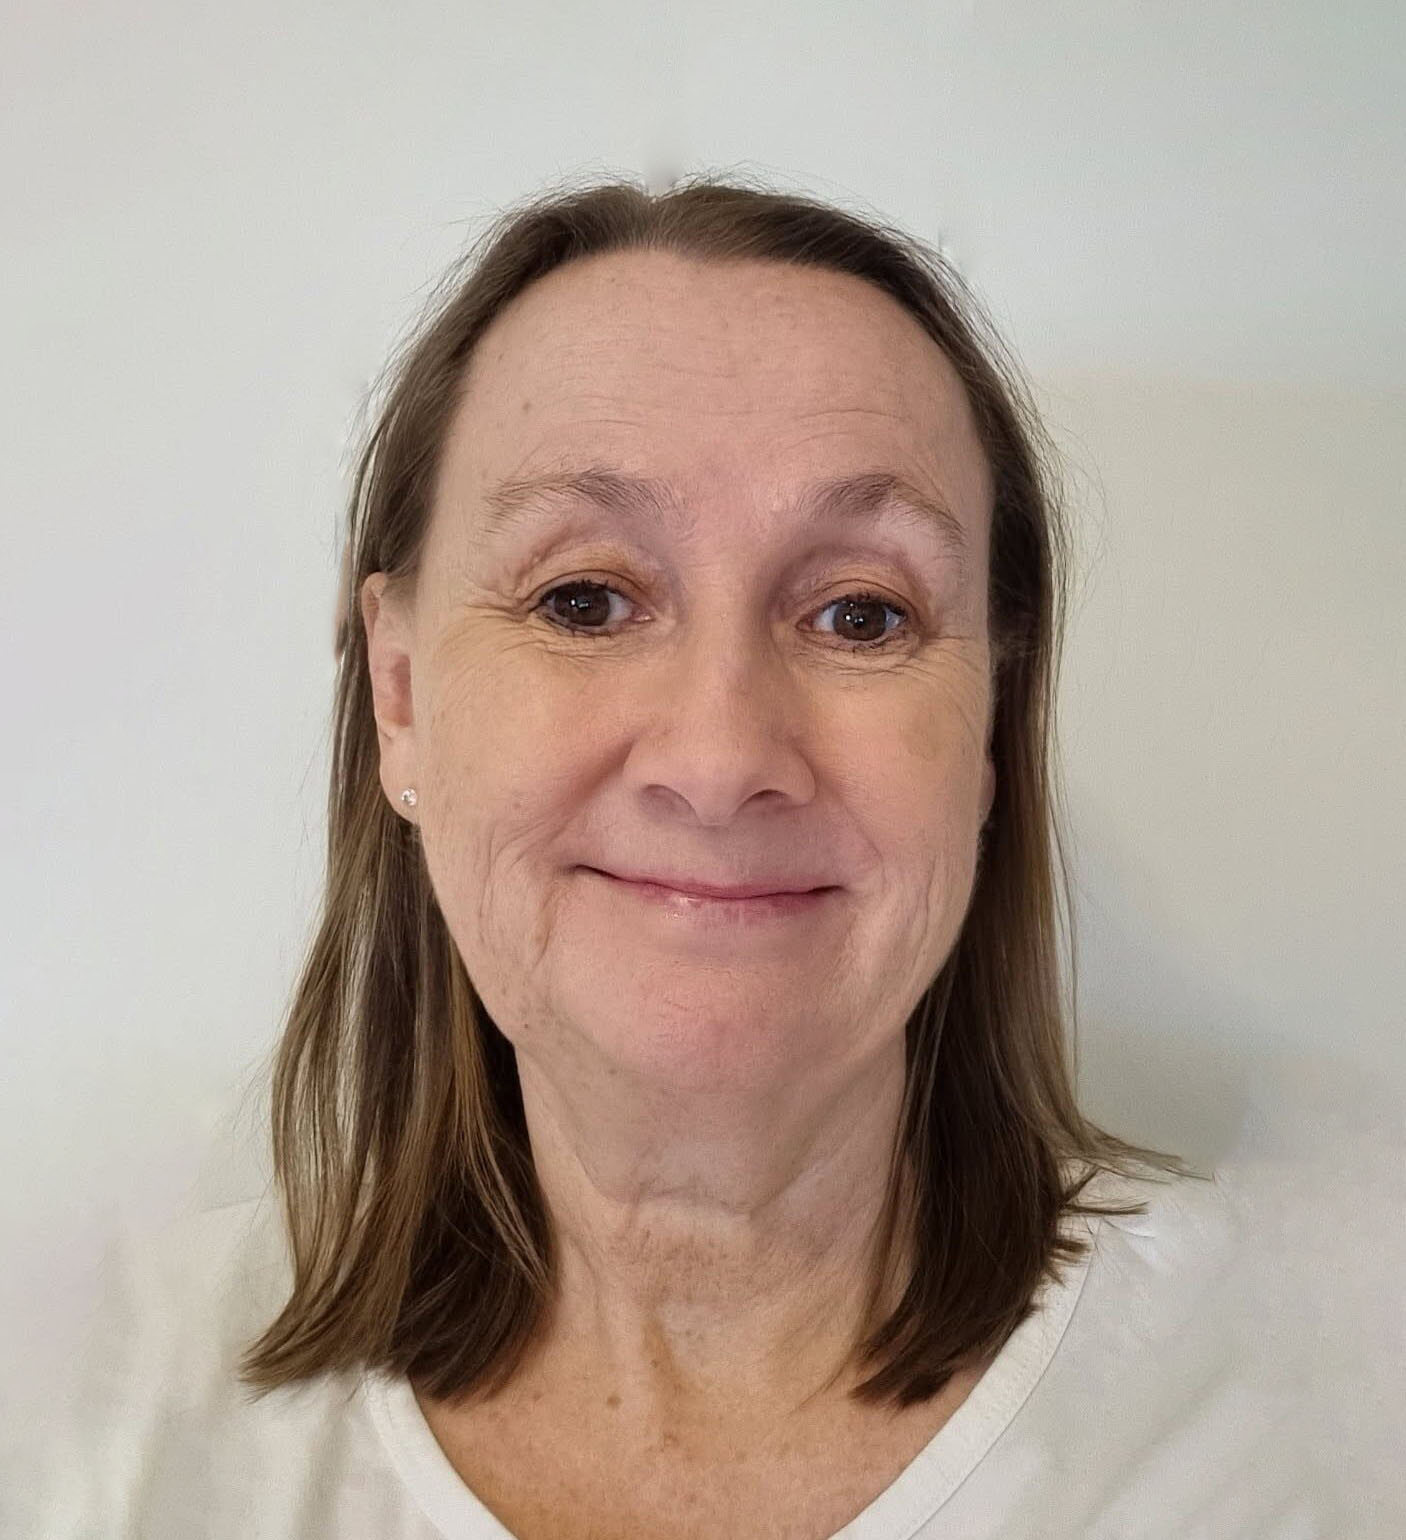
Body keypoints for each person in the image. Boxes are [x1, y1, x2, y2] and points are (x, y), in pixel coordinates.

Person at [20, 174, 1400, 1540]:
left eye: (861, 614)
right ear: (399, 697)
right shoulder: (80, 1412)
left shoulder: (1339, 1394)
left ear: (989, 728)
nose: (721, 754)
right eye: (583, 599)